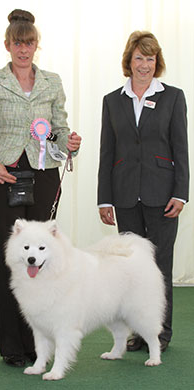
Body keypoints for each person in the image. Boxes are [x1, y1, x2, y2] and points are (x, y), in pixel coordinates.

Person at [0, 9, 81, 367]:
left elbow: (60, 128)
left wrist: (70, 141)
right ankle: (12, 346)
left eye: (30, 43)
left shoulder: (52, 81)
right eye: (18, 43)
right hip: (3, 176)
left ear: (37, 45)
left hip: (44, 173)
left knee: (44, 259)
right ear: (7, 45)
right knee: (11, 261)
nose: (24, 49)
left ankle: (40, 344)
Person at [97, 31, 189, 353]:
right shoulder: (112, 100)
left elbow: (181, 147)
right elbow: (107, 152)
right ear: (129, 61)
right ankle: (138, 333)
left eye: (150, 58)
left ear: (157, 62)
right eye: (139, 58)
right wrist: (104, 198)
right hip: (124, 197)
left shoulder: (173, 97)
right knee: (131, 270)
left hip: (162, 195)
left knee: (160, 265)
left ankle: (160, 333)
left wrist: (181, 193)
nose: (144, 65)